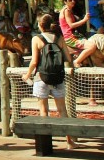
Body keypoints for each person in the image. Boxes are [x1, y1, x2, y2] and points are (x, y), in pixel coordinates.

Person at [23, 14, 75, 148]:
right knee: (62, 110)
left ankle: (46, 144)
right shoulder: (60, 38)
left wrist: (27, 74)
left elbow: (34, 61)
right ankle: (69, 141)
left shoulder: (36, 39)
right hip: (57, 77)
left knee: (44, 111)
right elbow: (68, 58)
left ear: (40, 25)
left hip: (41, 77)